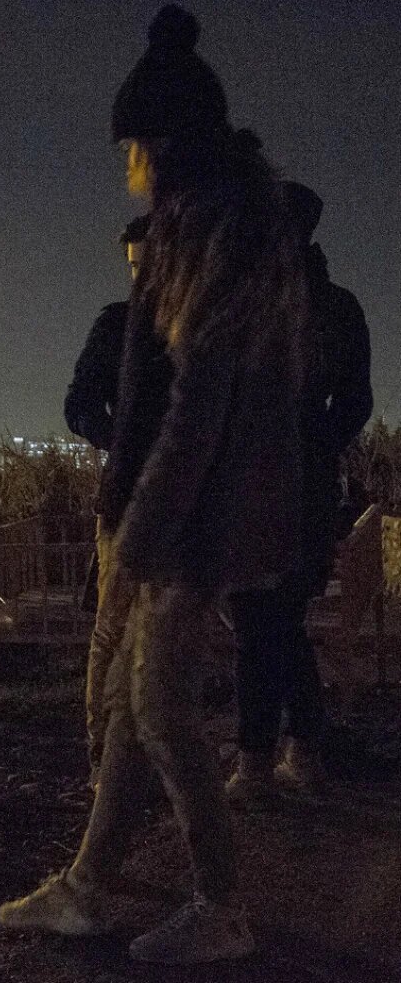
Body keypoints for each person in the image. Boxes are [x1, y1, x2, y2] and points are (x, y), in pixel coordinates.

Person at [0, 5, 306, 964]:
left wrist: (138, 536)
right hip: (178, 507)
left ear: (163, 140)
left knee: (162, 710)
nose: (126, 160)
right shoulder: (201, 218)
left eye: (134, 141)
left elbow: (198, 401)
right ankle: (90, 887)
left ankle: (223, 906)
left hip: (195, 514)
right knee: (136, 708)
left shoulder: (224, 228)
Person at [224, 181, 373, 806]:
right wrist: (319, 448)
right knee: (274, 620)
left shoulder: (255, 305)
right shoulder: (337, 307)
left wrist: (301, 447)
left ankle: (265, 760)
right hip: (302, 486)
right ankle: (298, 751)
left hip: (272, 486)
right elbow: (356, 402)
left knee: (264, 621)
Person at [64, 215, 149, 782]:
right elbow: (78, 404)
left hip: (176, 498)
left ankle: (135, 750)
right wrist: (121, 440)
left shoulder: (196, 327)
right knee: (114, 627)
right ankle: (105, 754)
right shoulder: (118, 327)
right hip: (127, 497)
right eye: (136, 265)